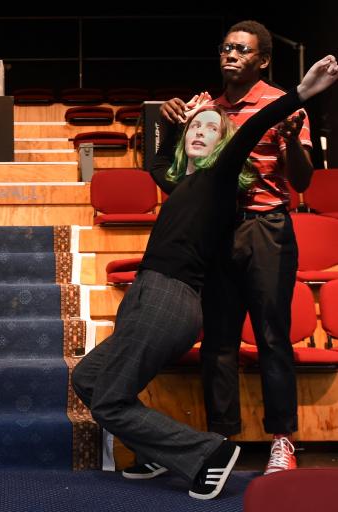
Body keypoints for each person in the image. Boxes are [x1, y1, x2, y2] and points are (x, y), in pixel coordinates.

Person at [71, 55, 337, 500]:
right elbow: (159, 164)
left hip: (169, 300)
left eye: (211, 128)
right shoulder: (182, 183)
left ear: (223, 145)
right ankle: (158, 453)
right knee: (88, 380)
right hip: (147, 295)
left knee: (110, 399)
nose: (200, 131)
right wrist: (175, 121)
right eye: (197, 126)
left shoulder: (219, 181)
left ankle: (206, 453)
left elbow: (251, 130)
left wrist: (301, 95)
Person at [159, 20, 314, 475]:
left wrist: (288, 140)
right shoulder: (204, 108)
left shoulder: (283, 105)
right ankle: (219, 441)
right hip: (217, 231)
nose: (231, 55)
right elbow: (177, 173)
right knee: (218, 341)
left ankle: (282, 441)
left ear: (262, 59)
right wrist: (174, 124)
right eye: (226, 47)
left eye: (242, 50)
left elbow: (302, 182)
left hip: (267, 228)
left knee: (271, 337)